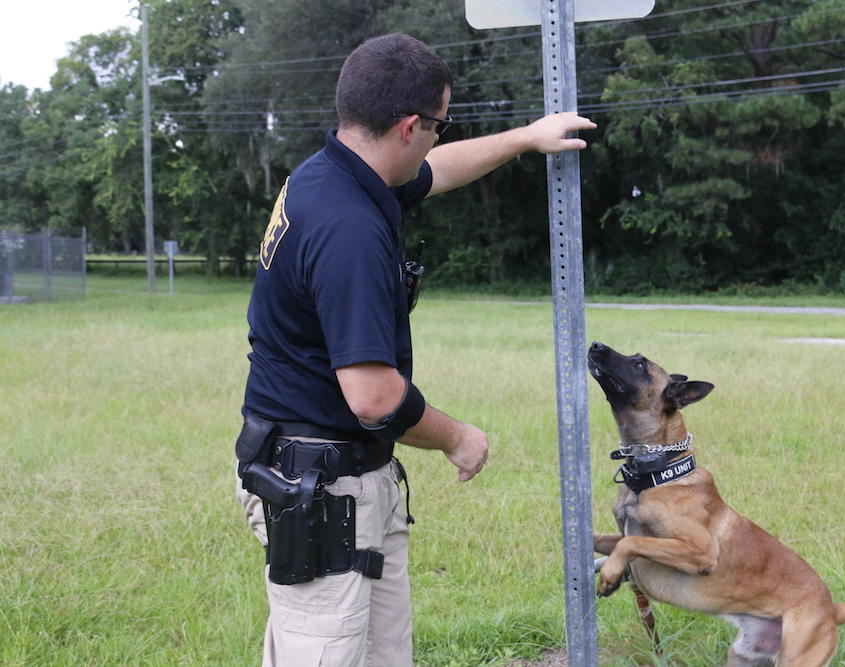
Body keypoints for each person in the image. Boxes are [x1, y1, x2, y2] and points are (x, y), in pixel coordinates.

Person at [234, 32, 596, 667]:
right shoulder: (349, 228)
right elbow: (373, 396)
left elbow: (438, 169)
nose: (437, 136)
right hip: (323, 494)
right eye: (437, 124)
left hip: (339, 481)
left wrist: (524, 138)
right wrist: (457, 436)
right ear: (408, 125)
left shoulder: (333, 175)